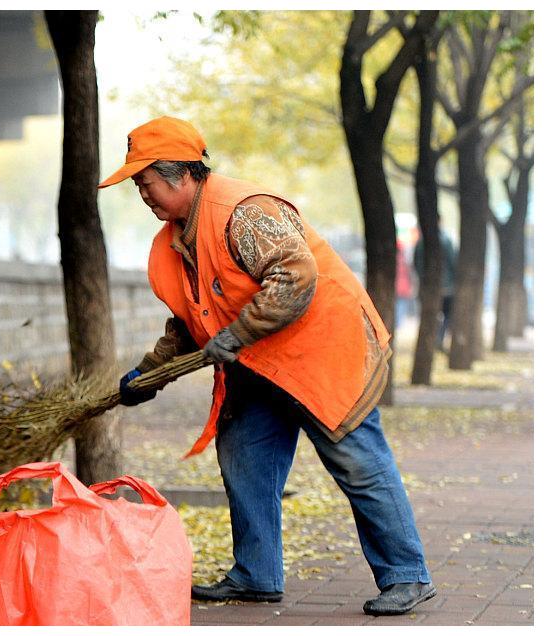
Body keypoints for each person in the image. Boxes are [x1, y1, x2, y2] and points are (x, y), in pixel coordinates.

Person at [102, 116, 434, 616]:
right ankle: (256, 574)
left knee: (358, 464)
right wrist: (149, 374)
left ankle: (407, 575)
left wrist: (234, 335)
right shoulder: (176, 239)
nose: (142, 194)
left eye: (145, 183)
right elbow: (189, 321)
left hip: (322, 353)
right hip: (259, 362)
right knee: (245, 458)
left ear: (181, 174)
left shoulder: (244, 213)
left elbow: (296, 278)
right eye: (137, 187)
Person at [414, 229, 457, 350]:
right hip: (446, 287)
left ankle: (430, 341)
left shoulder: (420, 242)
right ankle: (439, 338)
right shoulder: (446, 240)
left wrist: (423, 279)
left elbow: (416, 263)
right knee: (447, 315)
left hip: (426, 287)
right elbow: (453, 262)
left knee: (430, 314)